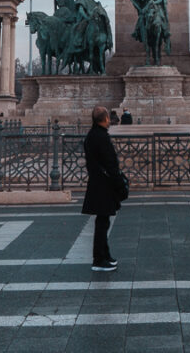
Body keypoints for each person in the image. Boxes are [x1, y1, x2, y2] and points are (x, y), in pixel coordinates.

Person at [82, 106, 122, 273]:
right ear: (105, 119)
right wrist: (119, 182)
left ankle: (105, 255)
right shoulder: (101, 137)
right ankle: (99, 259)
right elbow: (111, 163)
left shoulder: (92, 135)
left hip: (97, 183)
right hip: (103, 185)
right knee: (102, 223)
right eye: (107, 118)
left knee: (103, 222)